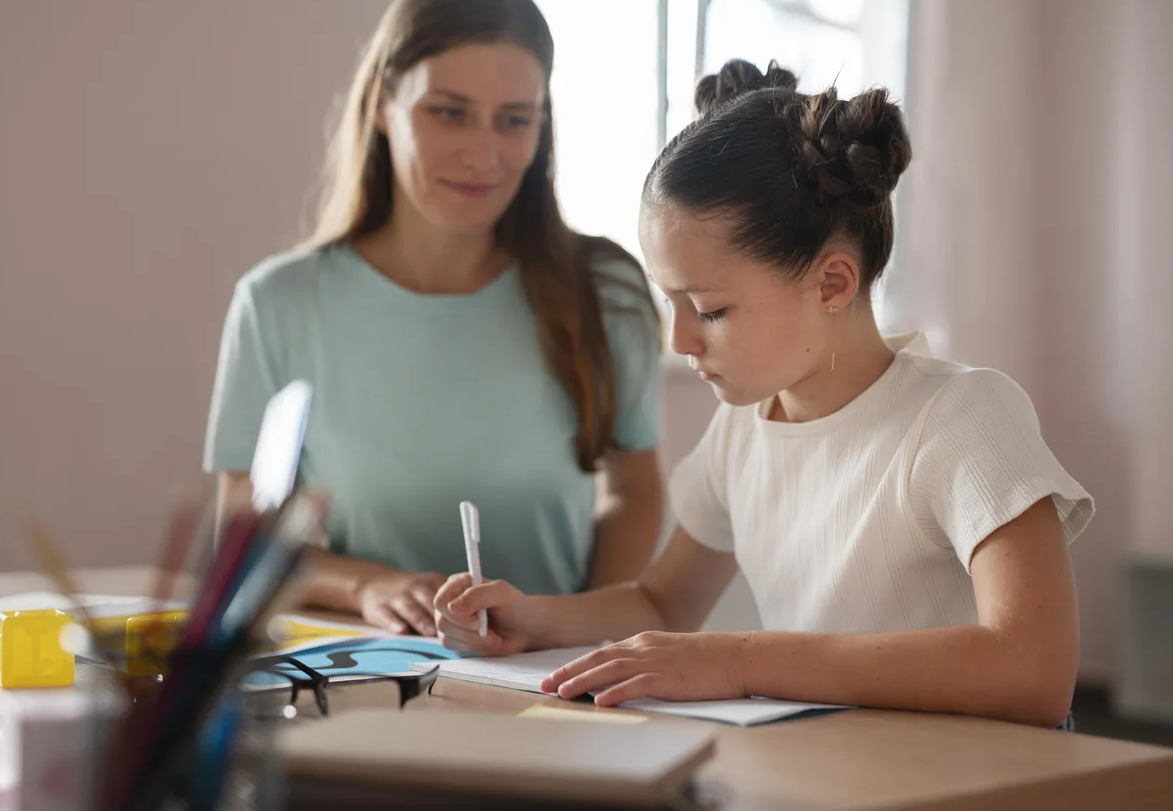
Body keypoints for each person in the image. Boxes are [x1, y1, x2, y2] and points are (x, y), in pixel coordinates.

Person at [433, 59, 1095, 728]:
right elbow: (664, 605)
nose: (682, 339)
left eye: (710, 309)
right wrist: (532, 618)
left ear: (833, 284)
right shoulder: (744, 426)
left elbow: (1033, 671)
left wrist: (742, 659)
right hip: (833, 771)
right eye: (672, 303)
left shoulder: (961, 418)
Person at [203, 0, 665, 637]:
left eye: (515, 120)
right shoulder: (276, 303)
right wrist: (368, 586)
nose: (484, 154)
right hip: (350, 682)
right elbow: (244, 534)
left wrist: (572, 629)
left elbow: (635, 490)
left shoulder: (606, 291)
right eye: (448, 111)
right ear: (384, 106)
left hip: (551, 684)